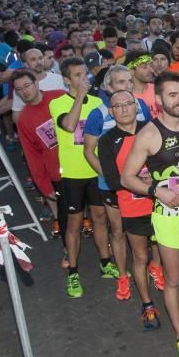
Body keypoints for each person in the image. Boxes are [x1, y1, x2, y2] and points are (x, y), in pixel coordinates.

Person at [121, 71, 179, 357]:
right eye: (173, 95)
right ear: (158, 99)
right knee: (174, 279)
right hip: (169, 217)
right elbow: (127, 177)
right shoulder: (149, 134)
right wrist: (157, 191)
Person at [82, 65, 152, 300]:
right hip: (112, 186)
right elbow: (89, 152)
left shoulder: (141, 106)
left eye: (128, 82)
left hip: (143, 186)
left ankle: (153, 269)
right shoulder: (97, 114)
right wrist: (114, 178)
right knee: (119, 232)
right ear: (108, 88)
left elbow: (152, 141)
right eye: (119, 83)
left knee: (149, 233)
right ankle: (123, 276)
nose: (126, 86)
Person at [49, 58, 115, 297]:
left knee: (100, 218)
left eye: (85, 74)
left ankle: (105, 262)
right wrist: (79, 97)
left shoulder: (98, 102)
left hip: (96, 172)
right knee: (74, 223)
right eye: (77, 75)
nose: (83, 79)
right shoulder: (57, 103)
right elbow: (68, 125)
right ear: (66, 80)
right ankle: (73, 272)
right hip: (73, 174)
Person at [97, 88, 161, 330]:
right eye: (118, 106)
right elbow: (114, 181)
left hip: (161, 204)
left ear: (137, 106)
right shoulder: (106, 141)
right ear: (111, 112)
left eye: (128, 104)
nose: (124, 109)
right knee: (141, 256)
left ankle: (174, 296)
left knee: (165, 255)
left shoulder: (152, 129)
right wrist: (146, 185)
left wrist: (149, 184)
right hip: (132, 206)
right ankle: (147, 304)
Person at [12, 71, 65, 235]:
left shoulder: (60, 96)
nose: (24, 91)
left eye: (26, 85)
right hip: (56, 172)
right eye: (19, 89)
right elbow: (32, 157)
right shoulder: (23, 121)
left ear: (36, 83)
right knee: (63, 219)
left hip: (80, 164)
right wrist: (44, 186)